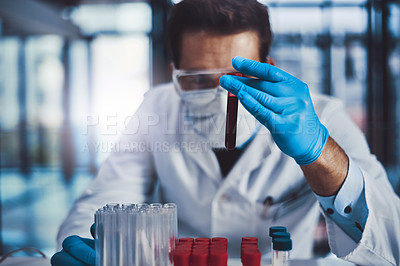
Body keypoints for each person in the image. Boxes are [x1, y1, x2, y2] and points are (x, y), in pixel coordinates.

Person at [51, 0, 400, 265]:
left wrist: (320, 154)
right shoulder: (158, 108)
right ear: (175, 74)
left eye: (237, 80)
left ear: (269, 69)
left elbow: (391, 235)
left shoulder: (320, 116)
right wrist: (96, 244)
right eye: (199, 80)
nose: (222, 98)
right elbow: (108, 196)